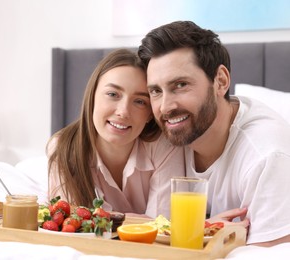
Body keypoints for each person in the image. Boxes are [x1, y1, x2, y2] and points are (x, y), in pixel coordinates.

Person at [138, 21, 290, 246]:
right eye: (156, 91)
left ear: (221, 81)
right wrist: (207, 231)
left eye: (180, 85)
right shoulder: (164, 134)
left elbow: (271, 253)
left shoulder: (267, 155)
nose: (165, 107)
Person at [47, 49, 184, 218]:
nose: (123, 112)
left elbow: (163, 224)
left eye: (140, 101)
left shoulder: (165, 145)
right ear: (92, 97)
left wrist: (100, 218)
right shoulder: (64, 147)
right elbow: (72, 224)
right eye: (113, 94)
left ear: (150, 112)